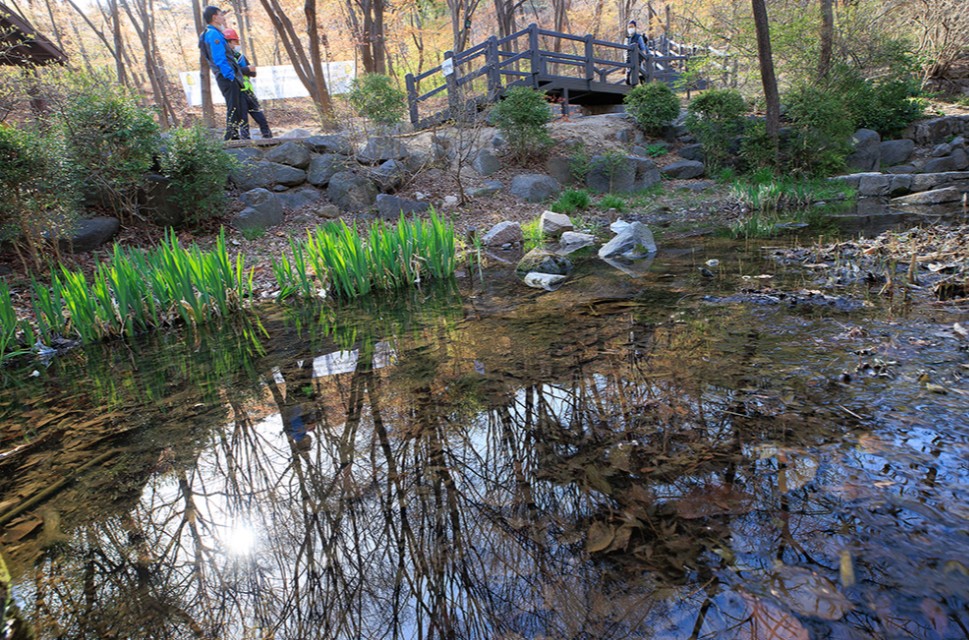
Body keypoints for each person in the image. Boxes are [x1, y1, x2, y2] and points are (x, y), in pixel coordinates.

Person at [199, 6, 249, 140]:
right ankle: (230, 135)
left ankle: (233, 134)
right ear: (214, 17)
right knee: (233, 105)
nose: (223, 17)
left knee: (235, 105)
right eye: (221, 15)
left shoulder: (211, 33)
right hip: (226, 76)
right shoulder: (213, 34)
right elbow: (219, 58)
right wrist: (230, 75)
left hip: (225, 75)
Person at [223, 28, 273, 139]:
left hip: (248, 91)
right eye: (235, 42)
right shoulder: (225, 57)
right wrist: (246, 69)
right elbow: (232, 72)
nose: (237, 44)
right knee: (243, 117)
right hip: (237, 91)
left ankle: (267, 134)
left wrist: (250, 70)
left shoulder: (240, 56)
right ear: (229, 42)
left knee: (257, 112)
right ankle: (246, 139)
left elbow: (252, 72)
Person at [625, 20, 648, 85]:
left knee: (641, 74)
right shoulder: (627, 38)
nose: (630, 28)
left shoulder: (639, 37)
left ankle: (644, 86)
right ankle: (630, 89)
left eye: (632, 27)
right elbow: (625, 50)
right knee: (628, 77)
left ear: (635, 27)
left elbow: (643, 48)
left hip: (638, 59)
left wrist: (644, 58)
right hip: (629, 60)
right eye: (629, 27)